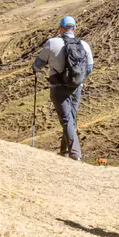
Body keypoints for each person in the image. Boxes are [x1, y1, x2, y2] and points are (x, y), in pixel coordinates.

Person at [31, 15, 93, 160]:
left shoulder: (52, 43)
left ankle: (75, 155)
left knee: (66, 120)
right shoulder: (84, 45)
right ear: (74, 28)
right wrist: (77, 79)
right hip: (76, 87)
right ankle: (64, 153)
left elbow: (38, 64)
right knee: (71, 118)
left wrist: (34, 68)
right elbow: (89, 67)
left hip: (58, 87)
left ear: (61, 28)